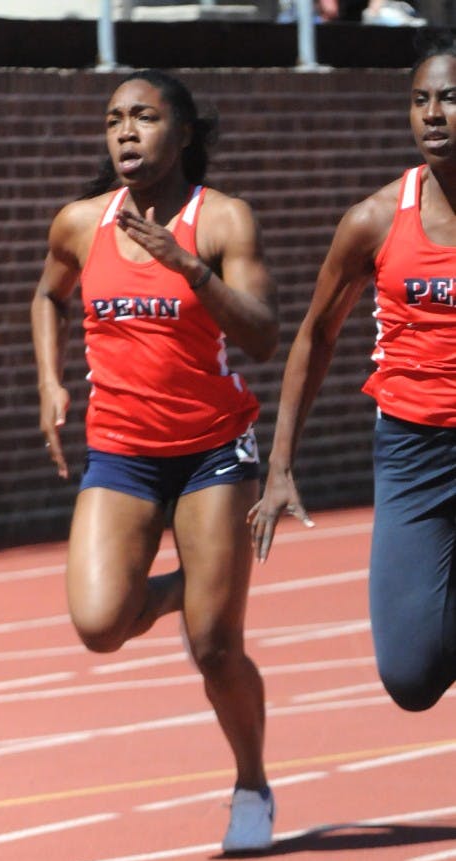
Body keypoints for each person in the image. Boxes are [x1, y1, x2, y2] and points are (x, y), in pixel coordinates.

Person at [31, 69, 279, 852]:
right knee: (100, 623)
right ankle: (189, 587)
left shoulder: (224, 220)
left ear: (183, 133)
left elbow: (264, 333)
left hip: (212, 449)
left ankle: (251, 783)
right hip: (124, 452)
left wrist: (188, 267)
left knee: (215, 645)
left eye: (143, 117)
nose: (125, 133)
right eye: (114, 121)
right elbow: (49, 297)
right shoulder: (80, 222)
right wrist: (50, 383)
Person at [249, 35, 456, 718]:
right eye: (420, 100)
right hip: (413, 448)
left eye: (450, 98)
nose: (433, 113)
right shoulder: (372, 221)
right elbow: (315, 335)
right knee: (410, 674)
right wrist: (280, 464)